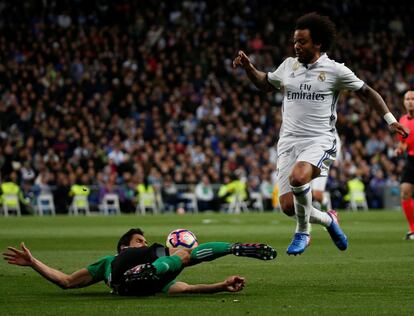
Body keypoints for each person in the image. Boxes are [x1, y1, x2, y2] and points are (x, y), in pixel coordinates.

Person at [233, 12, 409, 255]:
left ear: (318, 43)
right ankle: (328, 220)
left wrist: (389, 120)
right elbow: (265, 83)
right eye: (295, 41)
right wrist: (249, 68)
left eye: (302, 41)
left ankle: (303, 231)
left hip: (319, 140)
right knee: (287, 206)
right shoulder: (288, 66)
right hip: (288, 142)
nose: (297, 46)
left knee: (299, 178)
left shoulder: (335, 71)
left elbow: (368, 92)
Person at [3, 228, 277, 296]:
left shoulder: (160, 275)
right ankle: (230, 247)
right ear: (124, 246)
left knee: (179, 260)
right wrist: (34, 262)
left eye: (144, 241)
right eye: (138, 241)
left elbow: (188, 289)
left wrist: (221, 285)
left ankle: (232, 248)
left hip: (135, 283)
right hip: (134, 270)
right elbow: (65, 281)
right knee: (181, 255)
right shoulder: (110, 260)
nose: (144, 243)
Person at [394, 90, 414, 240]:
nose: (410, 101)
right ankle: (413, 230)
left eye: (413, 98)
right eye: (407, 99)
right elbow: (403, 143)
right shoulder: (402, 120)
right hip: (411, 160)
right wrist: (399, 149)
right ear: (403, 102)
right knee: (405, 192)